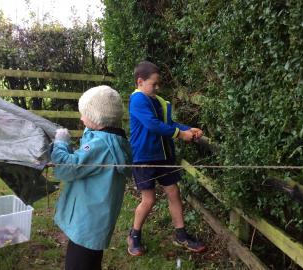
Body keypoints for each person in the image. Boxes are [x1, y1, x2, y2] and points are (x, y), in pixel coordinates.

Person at [127, 60, 206, 256]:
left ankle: (181, 235)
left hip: (164, 156)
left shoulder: (157, 100)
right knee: (149, 199)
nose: (157, 87)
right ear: (140, 82)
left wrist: (189, 129)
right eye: (154, 84)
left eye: (158, 83)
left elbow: (169, 123)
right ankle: (134, 235)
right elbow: (153, 125)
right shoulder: (137, 100)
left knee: (173, 193)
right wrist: (180, 134)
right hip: (144, 157)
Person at [51, 85, 132, 270]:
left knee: (78, 264)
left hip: (86, 222)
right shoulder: (112, 138)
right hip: (95, 221)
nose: (81, 118)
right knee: (90, 262)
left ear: (97, 118)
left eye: (84, 114)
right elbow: (86, 153)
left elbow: (67, 168)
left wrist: (61, 143)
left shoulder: (101, 146)